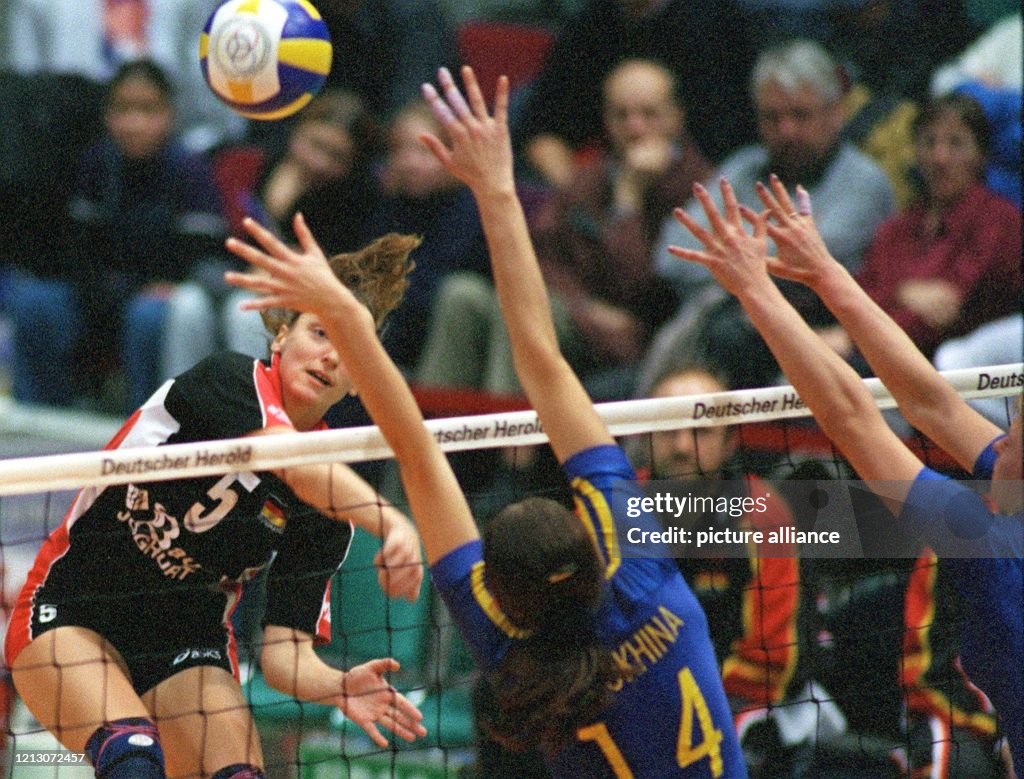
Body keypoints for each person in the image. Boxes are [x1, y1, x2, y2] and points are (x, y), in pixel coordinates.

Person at [224, 65, 747, 777]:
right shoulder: (641, 571)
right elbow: (539, 365)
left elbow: (418, 449)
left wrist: (348, 313)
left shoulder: (511, 646)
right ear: (594, 555)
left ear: (503, 592)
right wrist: (499, 189)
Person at [4, 234, 427, 778]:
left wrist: (334, 684)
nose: (329, 356)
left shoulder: (329, 508)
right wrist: (389, 518)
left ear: (357, 382)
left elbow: (282, 654)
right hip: (74, 610)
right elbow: (292, 464)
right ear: (280, 336)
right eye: (320, 333)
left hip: (185, 645)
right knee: (134, 758)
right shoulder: (227, 380)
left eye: (349, 351)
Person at [668, 174, 1022, 770]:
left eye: (1016, 432)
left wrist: (756, 289)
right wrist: (826, 273)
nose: (1000, 435)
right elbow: (930, 402)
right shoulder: (1007, 498)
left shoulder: (991, 549)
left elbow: (851, 416)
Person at [418, 59, 711, 400]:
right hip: (580, 316)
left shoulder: (700, 186)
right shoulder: (588, 177)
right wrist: (583, 307)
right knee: (462, 293)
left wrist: (629, 200)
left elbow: (644, 290)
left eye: (649, 114)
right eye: (621, 114)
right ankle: (423, 439)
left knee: (528, 313)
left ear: (676, 116)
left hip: (638, 339)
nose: (634, 127)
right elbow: (542, 258)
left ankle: (509, 449)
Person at [8, 59, 228, 413]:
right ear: (108, 115)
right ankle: (43, 422)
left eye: (147, 110)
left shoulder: (191, 170)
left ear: (168, 114)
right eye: (123, 109)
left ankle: (140, 432)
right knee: (36, 302)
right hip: (100, 290)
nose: (134, 122)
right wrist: (107, 289)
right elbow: (76, 250)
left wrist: (159, 286)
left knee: (150, 315)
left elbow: (201, 256)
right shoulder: (96, 163)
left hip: (157, 296)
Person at [642, 367, 813, 776]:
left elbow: (773, 661)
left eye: (700, 432)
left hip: (738, 700)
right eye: (668, 429)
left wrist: (678, 701)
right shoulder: (611, 510)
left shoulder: (762, 516)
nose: (682, 446)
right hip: (634, 691)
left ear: (729, 441)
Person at [836, 92, 1022, 364]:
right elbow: (855, 298)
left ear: (981, 155)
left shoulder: (999, 221)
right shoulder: (897, 227)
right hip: (879, 356)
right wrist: (903, 293)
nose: (940, 158)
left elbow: (946, 312)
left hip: (959, 371)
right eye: (929, 142)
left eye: (956, 144)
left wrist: (857, 334)